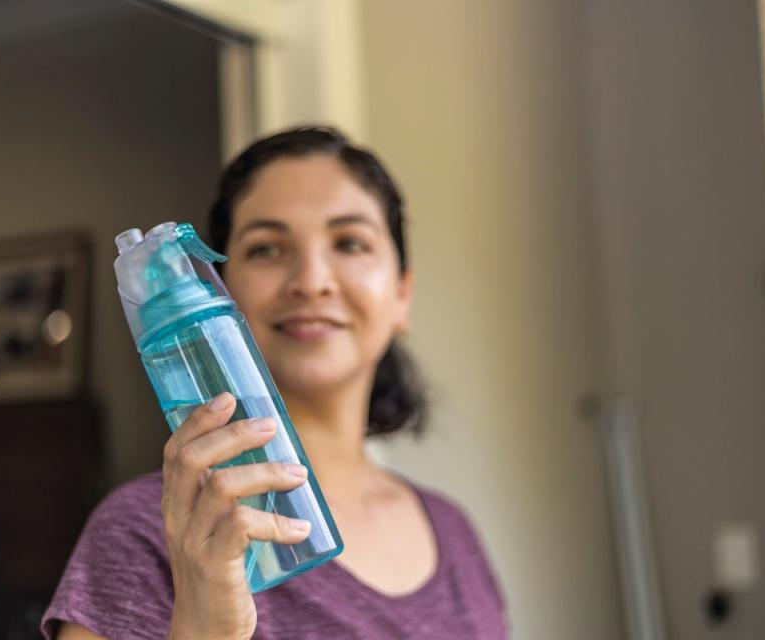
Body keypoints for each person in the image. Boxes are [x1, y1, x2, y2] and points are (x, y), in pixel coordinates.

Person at [42, 126, 508, 639]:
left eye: (350, 243)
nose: (311, 280)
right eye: (266, 248)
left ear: (402, 293)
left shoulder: (455, 533)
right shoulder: (141, 531)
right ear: (223, 287)